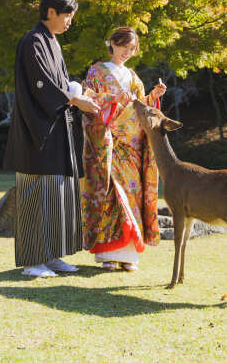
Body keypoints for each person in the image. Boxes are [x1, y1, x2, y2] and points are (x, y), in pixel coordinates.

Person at [3, 0, 100, 278]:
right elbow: (41, 85)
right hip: (37, 131)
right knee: (36, 193)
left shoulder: (52, 42)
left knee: (58, 193)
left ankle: (53, 255)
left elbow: (57, 84)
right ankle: (34, 260)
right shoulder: (33, 41)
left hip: (55, 129)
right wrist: (74, 99)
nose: (69, 21)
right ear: (50, 13)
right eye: (67, 15)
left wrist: (77, 92)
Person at [80, 27, 167, 271]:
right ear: (112, 44)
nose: (127, 53)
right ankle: (107, 254)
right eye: (123, 47)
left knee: (132, 195)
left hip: (131, 146)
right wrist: (113, 97)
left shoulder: (133, 76)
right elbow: (88, 99)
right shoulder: (96, 71)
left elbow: (141, 108)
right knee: (109, 194)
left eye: (131, 49)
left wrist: (153, 97)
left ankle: (129, 255)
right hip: (107, 141)